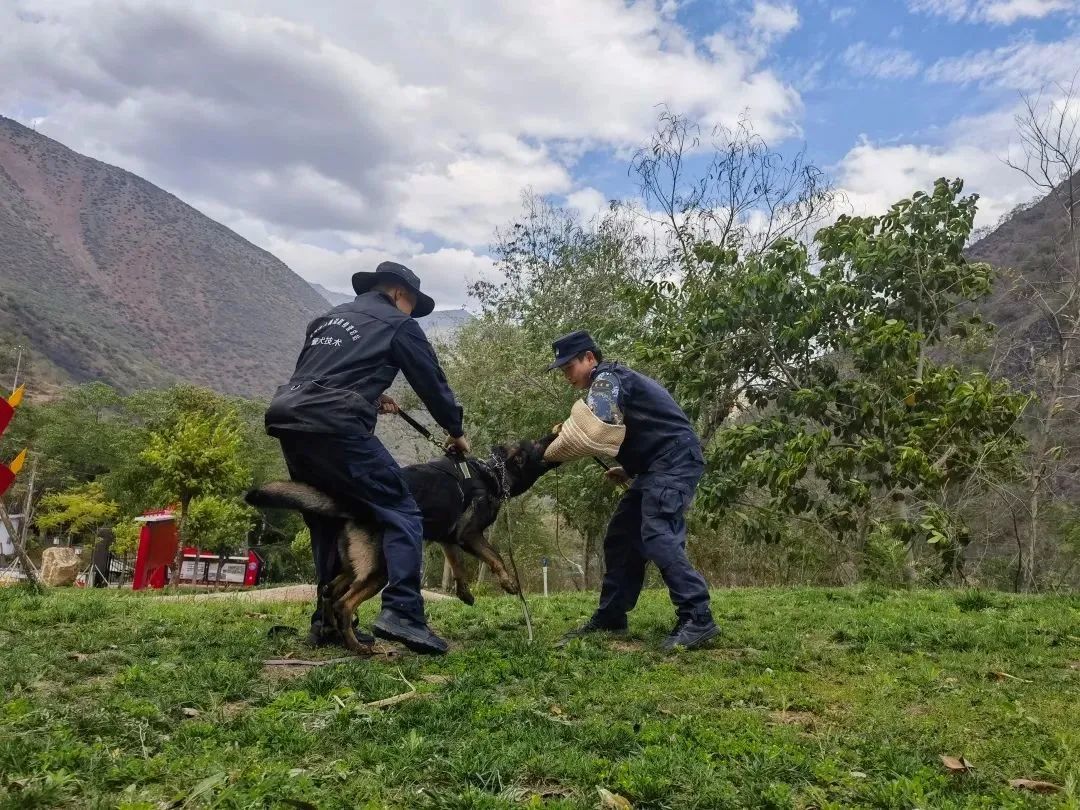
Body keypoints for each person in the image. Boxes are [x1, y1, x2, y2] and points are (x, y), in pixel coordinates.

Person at [264, 261, 469, 655]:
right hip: (337, 427)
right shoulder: (398, 323)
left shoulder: (326, 319)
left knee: (328, 515)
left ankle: (326, 621)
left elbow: (325, 378)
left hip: (290, 420)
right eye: (413, 304)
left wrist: (371, 397)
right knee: (402, 510)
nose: (411, 313)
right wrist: (455, 432)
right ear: (398, 294)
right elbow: (432, 383)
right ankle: (403, 613)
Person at [545, 330, 718, 651]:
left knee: (657, 532)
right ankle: (612, 615)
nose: (566, 375)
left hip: (675, 461)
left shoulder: (607, 378)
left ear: (589, 358)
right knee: (622, 536)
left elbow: (599, 419)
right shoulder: (613, 379)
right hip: (657, 464)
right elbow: (644, 428)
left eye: (569, 366)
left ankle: (698, 616)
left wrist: (553, 444)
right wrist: (628, 468)